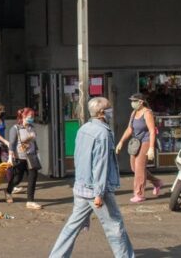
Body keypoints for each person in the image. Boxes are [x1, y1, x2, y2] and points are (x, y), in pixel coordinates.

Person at [49, 97, 134, 258]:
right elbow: (101, 165)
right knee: (115, 227)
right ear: (101, 113)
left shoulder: (84, 128)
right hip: (96, 189)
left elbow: (77, 156)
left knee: (72, 226)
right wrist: (99, 193)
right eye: (109, 108)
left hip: (81, 186)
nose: (111, 111)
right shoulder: (103, 133)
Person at [115, 93, 163, 203]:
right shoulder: (134, 113)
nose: (132, 103)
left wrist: (151, 148)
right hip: (136, 143)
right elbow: (129, 129)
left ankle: (139, 194)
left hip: (146, 142)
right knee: (134, 168)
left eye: (134, 101)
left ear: (141, 102)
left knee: (140, 169)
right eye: (132, 101)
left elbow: (152, 131)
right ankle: (157, 182)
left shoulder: (147, 113)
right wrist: (121, 142)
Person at [6, 107, 42, 210]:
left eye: (33, 116)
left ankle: (30, 201)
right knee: (17, 179)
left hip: (31, 157)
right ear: (23, 116)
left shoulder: (32, 127)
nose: (32, 118)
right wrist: (10, 157)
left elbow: (34, 142)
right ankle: (8, 191)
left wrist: (37, 152)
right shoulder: (15, 129)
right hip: (20, 158)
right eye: (30, 116)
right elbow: (12, 144)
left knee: (32, 178)